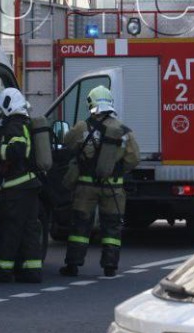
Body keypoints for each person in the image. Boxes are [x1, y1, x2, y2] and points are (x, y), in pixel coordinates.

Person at [59, 85, 139, 278]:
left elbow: (67, 143)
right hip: (114, 187)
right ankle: (110, 266)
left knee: (80, 226)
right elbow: (133, 159)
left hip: (86, 187)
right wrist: (115, 170)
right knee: (111, 227)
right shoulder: (124, 131)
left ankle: (73, 265)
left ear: (91, 104)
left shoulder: (82, 127)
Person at [0, 88, 44, 284]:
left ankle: (3, 271)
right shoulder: (24, 124)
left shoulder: (14, 125)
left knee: (10, 229)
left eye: (0, 110)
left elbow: (17, 150)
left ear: (9, 106)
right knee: (29, 231)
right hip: (30, 187)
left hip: (16, 188)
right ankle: (32, 272)